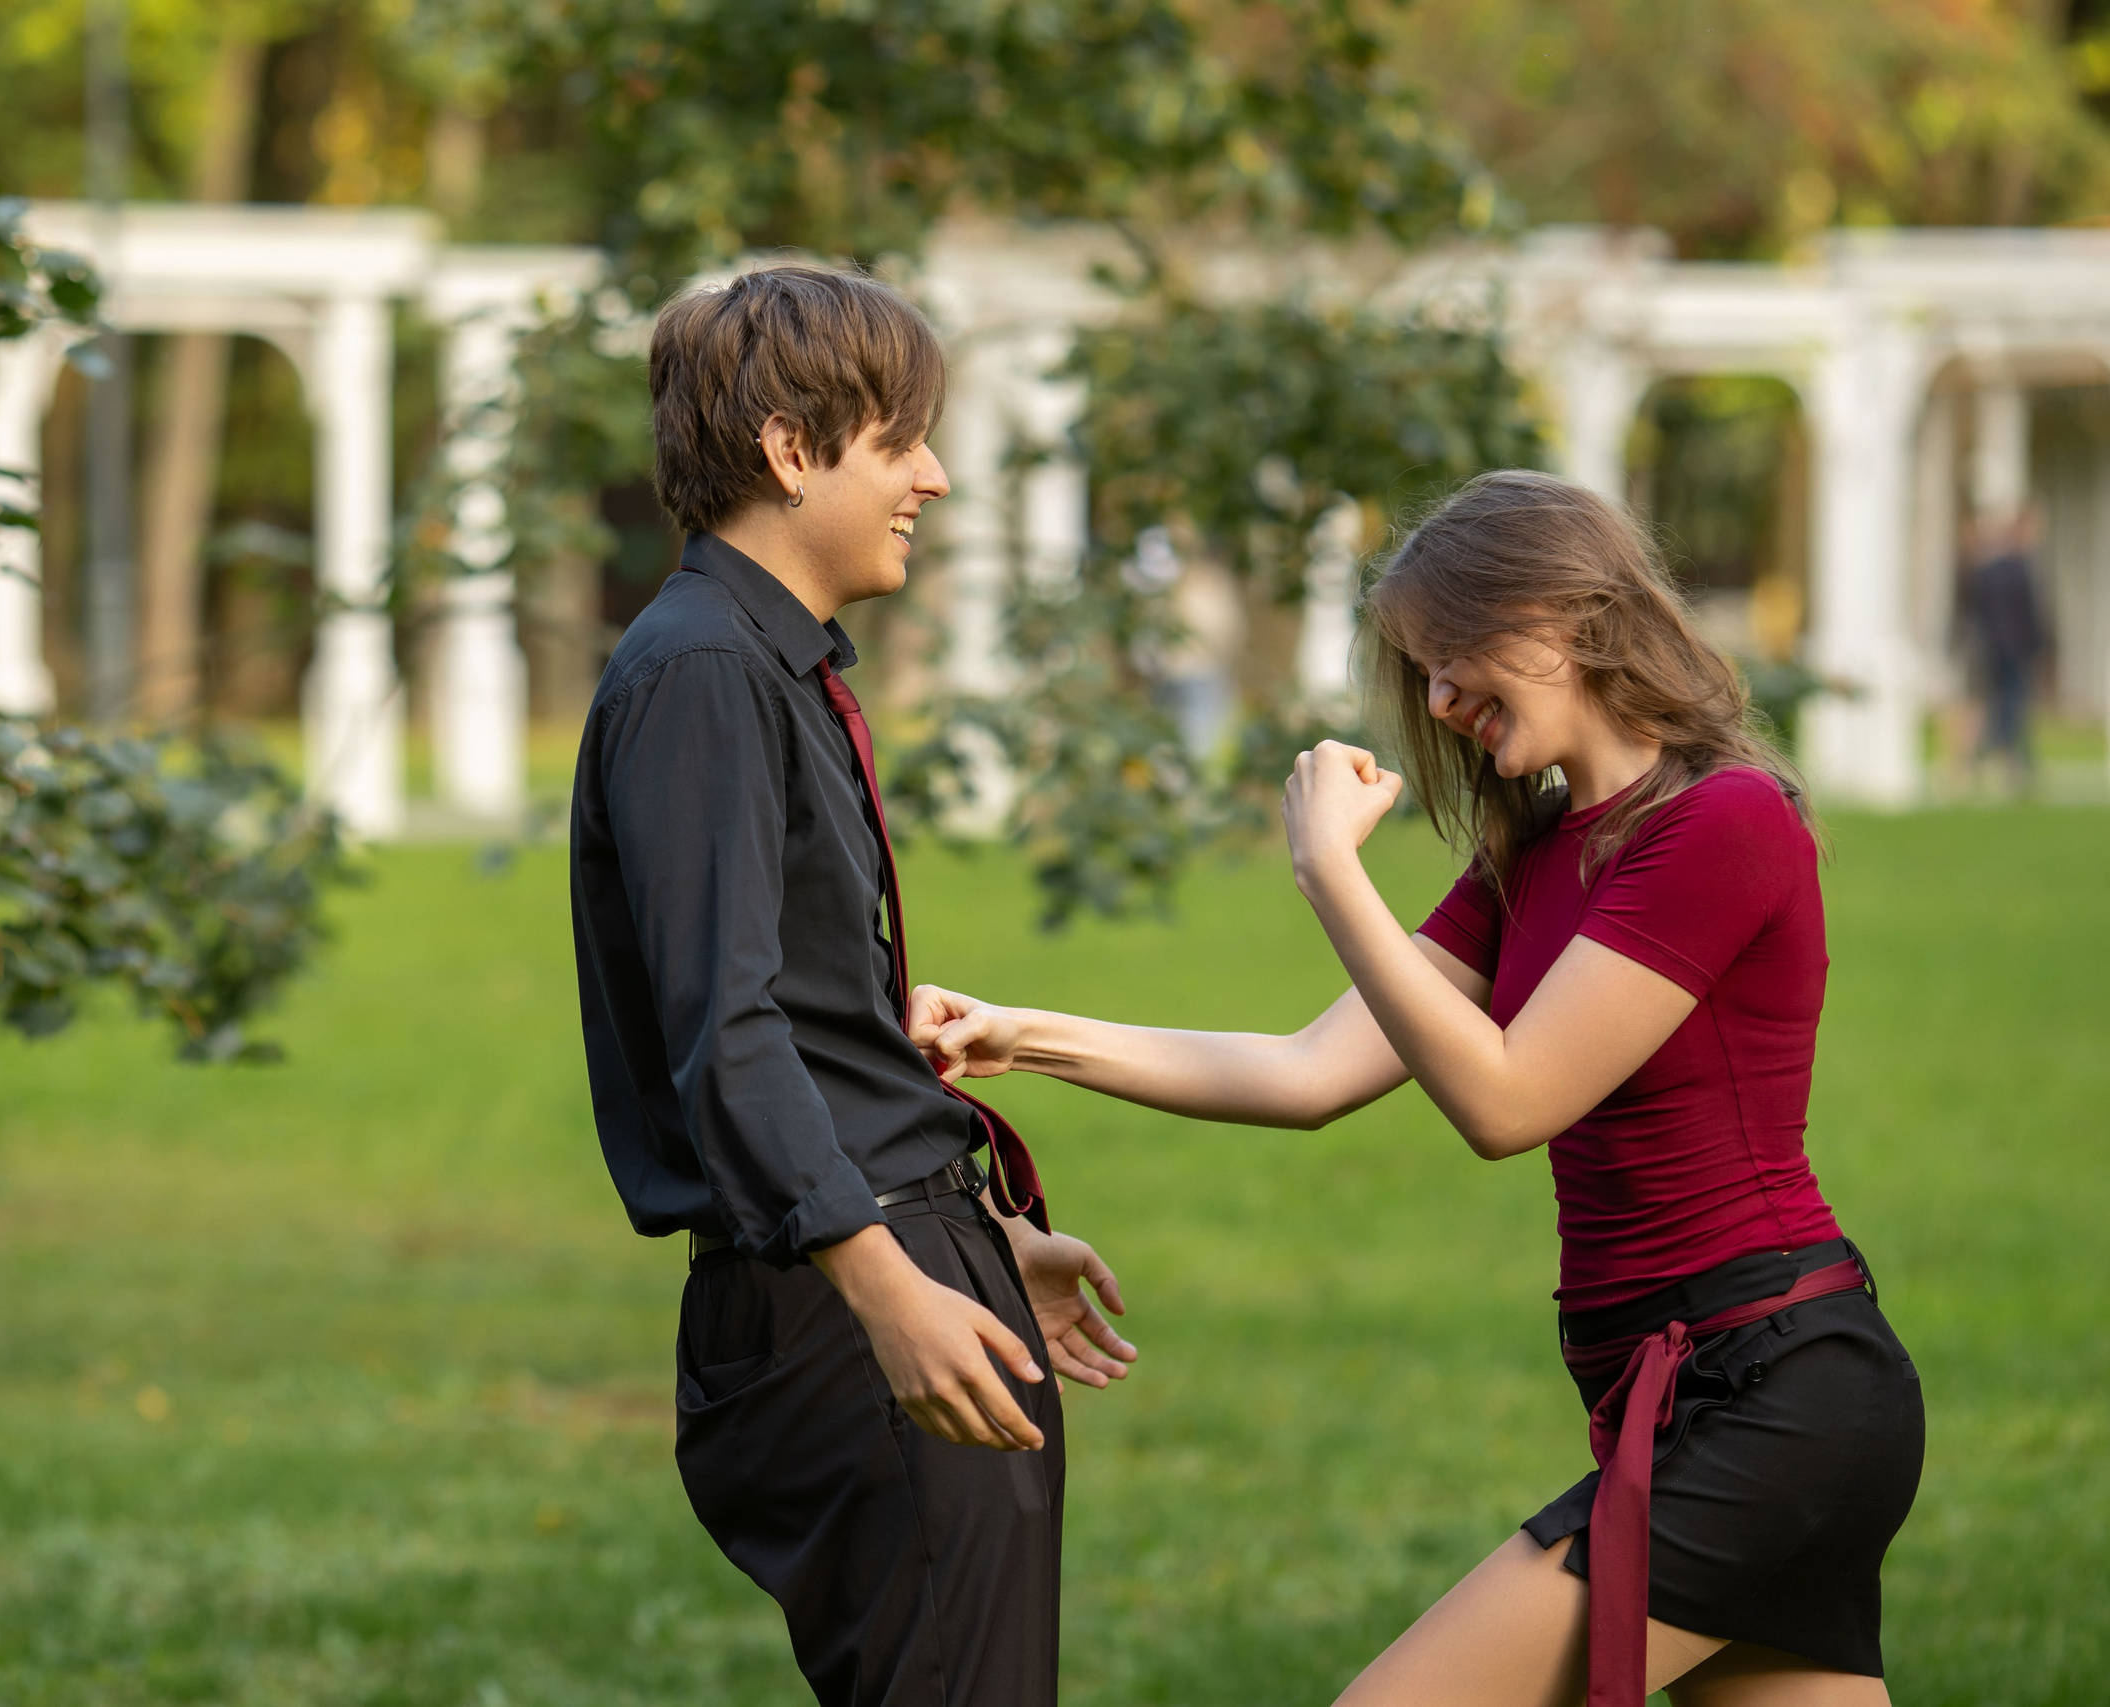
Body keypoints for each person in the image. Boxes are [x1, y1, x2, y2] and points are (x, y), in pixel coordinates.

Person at [910, 470, 1923, 1707]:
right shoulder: (1536, 859)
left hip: (1773, 1390)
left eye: (1452, 660)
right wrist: (1026, 1035)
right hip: (1686, 1395)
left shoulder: (1724, 821)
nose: (1438, 703)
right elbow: (1306, 1072)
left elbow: (1507, 1103)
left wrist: (1329, 870)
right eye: (1421, 673)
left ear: (1559, 616)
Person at [569, 263, 1137, 1707]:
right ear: (788, 447)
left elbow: (802, 1023)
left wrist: (984, 1240)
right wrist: (890, 1284)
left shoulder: (770, 662)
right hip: (846, 1292)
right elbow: (726, 1030)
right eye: (902, 441)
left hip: (902, 1250)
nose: (935, 478)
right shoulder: (701, 671)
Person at [1956, 507, 2050, 789]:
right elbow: (2027, 615)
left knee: (2000, 704)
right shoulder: (2009, 569)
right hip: (2007, 649)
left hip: (1997, 648)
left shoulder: (1993, 568)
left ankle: (1999, 759)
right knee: (2006, 704)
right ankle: (2001, 758)